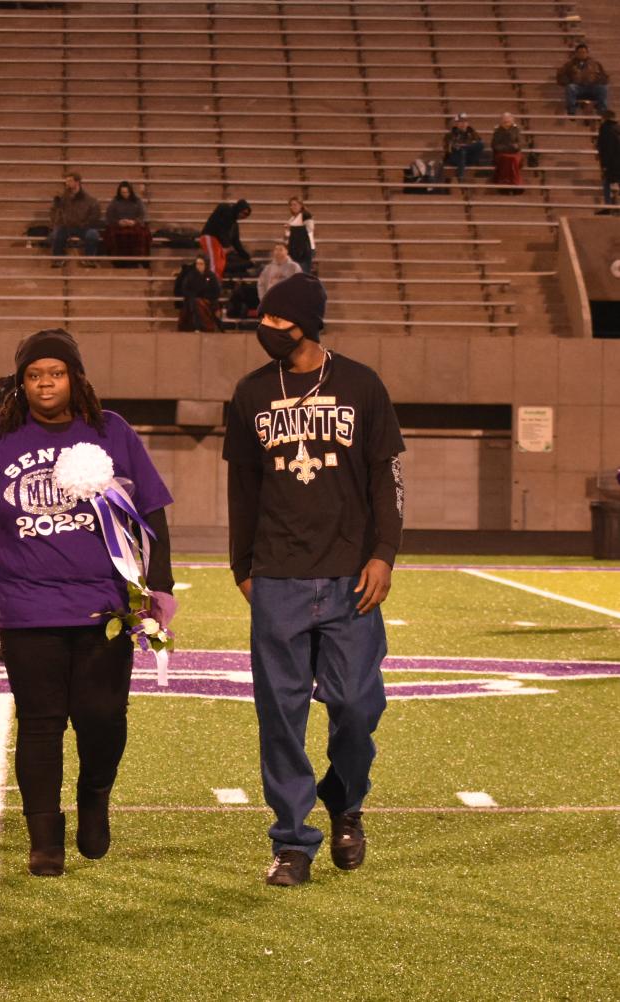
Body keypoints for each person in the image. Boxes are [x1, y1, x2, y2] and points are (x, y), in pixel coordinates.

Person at [223, 272, 405, 887]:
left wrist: (384, 553)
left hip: (351, 573)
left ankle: (346, 800)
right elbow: (242, 488)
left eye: (278, 321)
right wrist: (240, 565)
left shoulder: (361, 384)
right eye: (264, 320)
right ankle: (292, 842)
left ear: (307, 324)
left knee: (356, 705)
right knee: (281, 714)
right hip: (277, 573)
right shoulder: (250, 393)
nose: (266, 330)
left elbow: (388, 479)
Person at [0, 329, 174, 876]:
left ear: (74, 378)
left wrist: (161, 585)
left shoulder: (112, 431)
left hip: (104, 606)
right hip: (26, 605)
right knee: (41, 723)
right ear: (22, 382)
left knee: (103, 716)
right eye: (34, 375)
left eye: (55, 373)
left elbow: (151, 510)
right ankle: (44, 838)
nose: (44, 384)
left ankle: (94, 798)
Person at [49, 171, 102, 266]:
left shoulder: (89, 200)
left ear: (77, 182)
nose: (67, 183)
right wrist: (57, 223)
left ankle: (89, 259)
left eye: (69, 181)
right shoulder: (62, 198)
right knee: (56, 234)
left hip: (83, 227)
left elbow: (95, 216)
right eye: (66, 181)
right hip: (66, 227)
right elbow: (54, 212)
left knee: (92, 234)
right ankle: (58, 259)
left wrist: (84, 225)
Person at [102, 180, 150, 265]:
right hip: (119, 225)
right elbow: (109, 216)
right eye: (122, 192)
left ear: (130, 191)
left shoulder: (137, 201)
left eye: (126, 192)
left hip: (134, 224)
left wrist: (135, 222)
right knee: (114, 235)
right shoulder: (115, 201)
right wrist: (118, 222)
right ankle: (118, 261)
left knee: (141, 234)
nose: (124, 194)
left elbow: (142, 215)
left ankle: (138, 261)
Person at [200, 199, 251, 276]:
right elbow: (221, 229)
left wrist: (245, 256)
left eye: (247, 215)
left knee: (219, 265)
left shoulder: (234, 225)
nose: (244, 216)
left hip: (218, 243)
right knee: (215, 264)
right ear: (238, 209)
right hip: (210, 237)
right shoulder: (227, 212)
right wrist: (227, 246)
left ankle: (215, 283)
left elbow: (236, 242)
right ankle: (213, 284)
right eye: (244, 213)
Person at [558, 43, 609, 116]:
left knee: (603, 88)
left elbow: (604, 76)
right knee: (570, 87)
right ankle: (571, 110)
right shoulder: (569, 64)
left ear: (587, 53)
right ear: (576, 53)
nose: (582, 54)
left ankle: (602, 110)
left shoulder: (595, 64)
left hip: (592, 87)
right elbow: (561, 76)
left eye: (584, 52)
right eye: (579, 52)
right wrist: (568, 82)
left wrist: (599, 80)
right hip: (578, 88)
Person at [174, 255, 221, 332]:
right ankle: (195, 327)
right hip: (192, 299)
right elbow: (185, 289)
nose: (199, 266)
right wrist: (193, 296)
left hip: (207, 301)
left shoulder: (211, 276)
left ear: (206, 264)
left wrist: (204, 296)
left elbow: (216, 292)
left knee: (199, 304)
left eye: (201, 264)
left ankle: (202, 327)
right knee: (193, 303)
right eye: (197, 264)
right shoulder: (190, 275)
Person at [443, 114, 484, 182]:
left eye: (465, 122)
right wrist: (458, 147)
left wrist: (465, 147)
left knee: (480, 144)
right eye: (460, 122)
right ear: (456, 123)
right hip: (455, 157)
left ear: (467, 123)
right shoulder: (451, 134)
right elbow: (448, 148)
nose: (463, 124)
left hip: (469, 157)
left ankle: (464, 149)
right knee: (461, 152)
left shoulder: (472, 133)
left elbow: (477, 143)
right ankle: (461, 178)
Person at [491, 112, 526, 192]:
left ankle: (515, 183)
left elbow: (519, 143)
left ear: (512, 121)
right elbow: (494, 145)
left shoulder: (516, 130)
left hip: (514, 153)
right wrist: (508, 148)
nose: (506, 123)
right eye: (505, 121)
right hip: (502, 153)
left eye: (508, 121)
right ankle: (504, 183)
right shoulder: (498, 131)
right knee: (506, 159)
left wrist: (514, 147)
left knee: (513, 159)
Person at [284, 196, 314, 273]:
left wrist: (292, 228)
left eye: (295, 204)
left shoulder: (306, 215)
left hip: (304, 249)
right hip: (294, 249)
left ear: (301, 205)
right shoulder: (292, 218)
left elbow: (310, 229)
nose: (292, 207)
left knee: (302, 272)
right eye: (291, 205)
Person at [599, 110, 620, 208]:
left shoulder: (605, 128)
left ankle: (608, 205)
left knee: (607, 182)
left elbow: (606, 147)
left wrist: (604, 164)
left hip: (611, 162)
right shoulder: (618, 128)